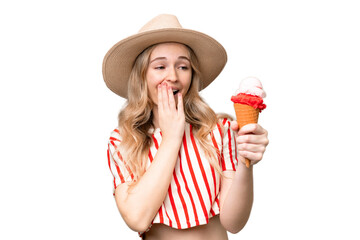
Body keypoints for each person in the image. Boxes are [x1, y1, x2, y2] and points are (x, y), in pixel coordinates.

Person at [103, 14, 269, 240]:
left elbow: (234, 223)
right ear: (142, 77)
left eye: (183, 66)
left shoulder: (219, 130)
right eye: (160, 66)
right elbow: (137, 219)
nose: (172, 76)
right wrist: (172, 137)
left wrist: (246, 164)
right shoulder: (123, 140)